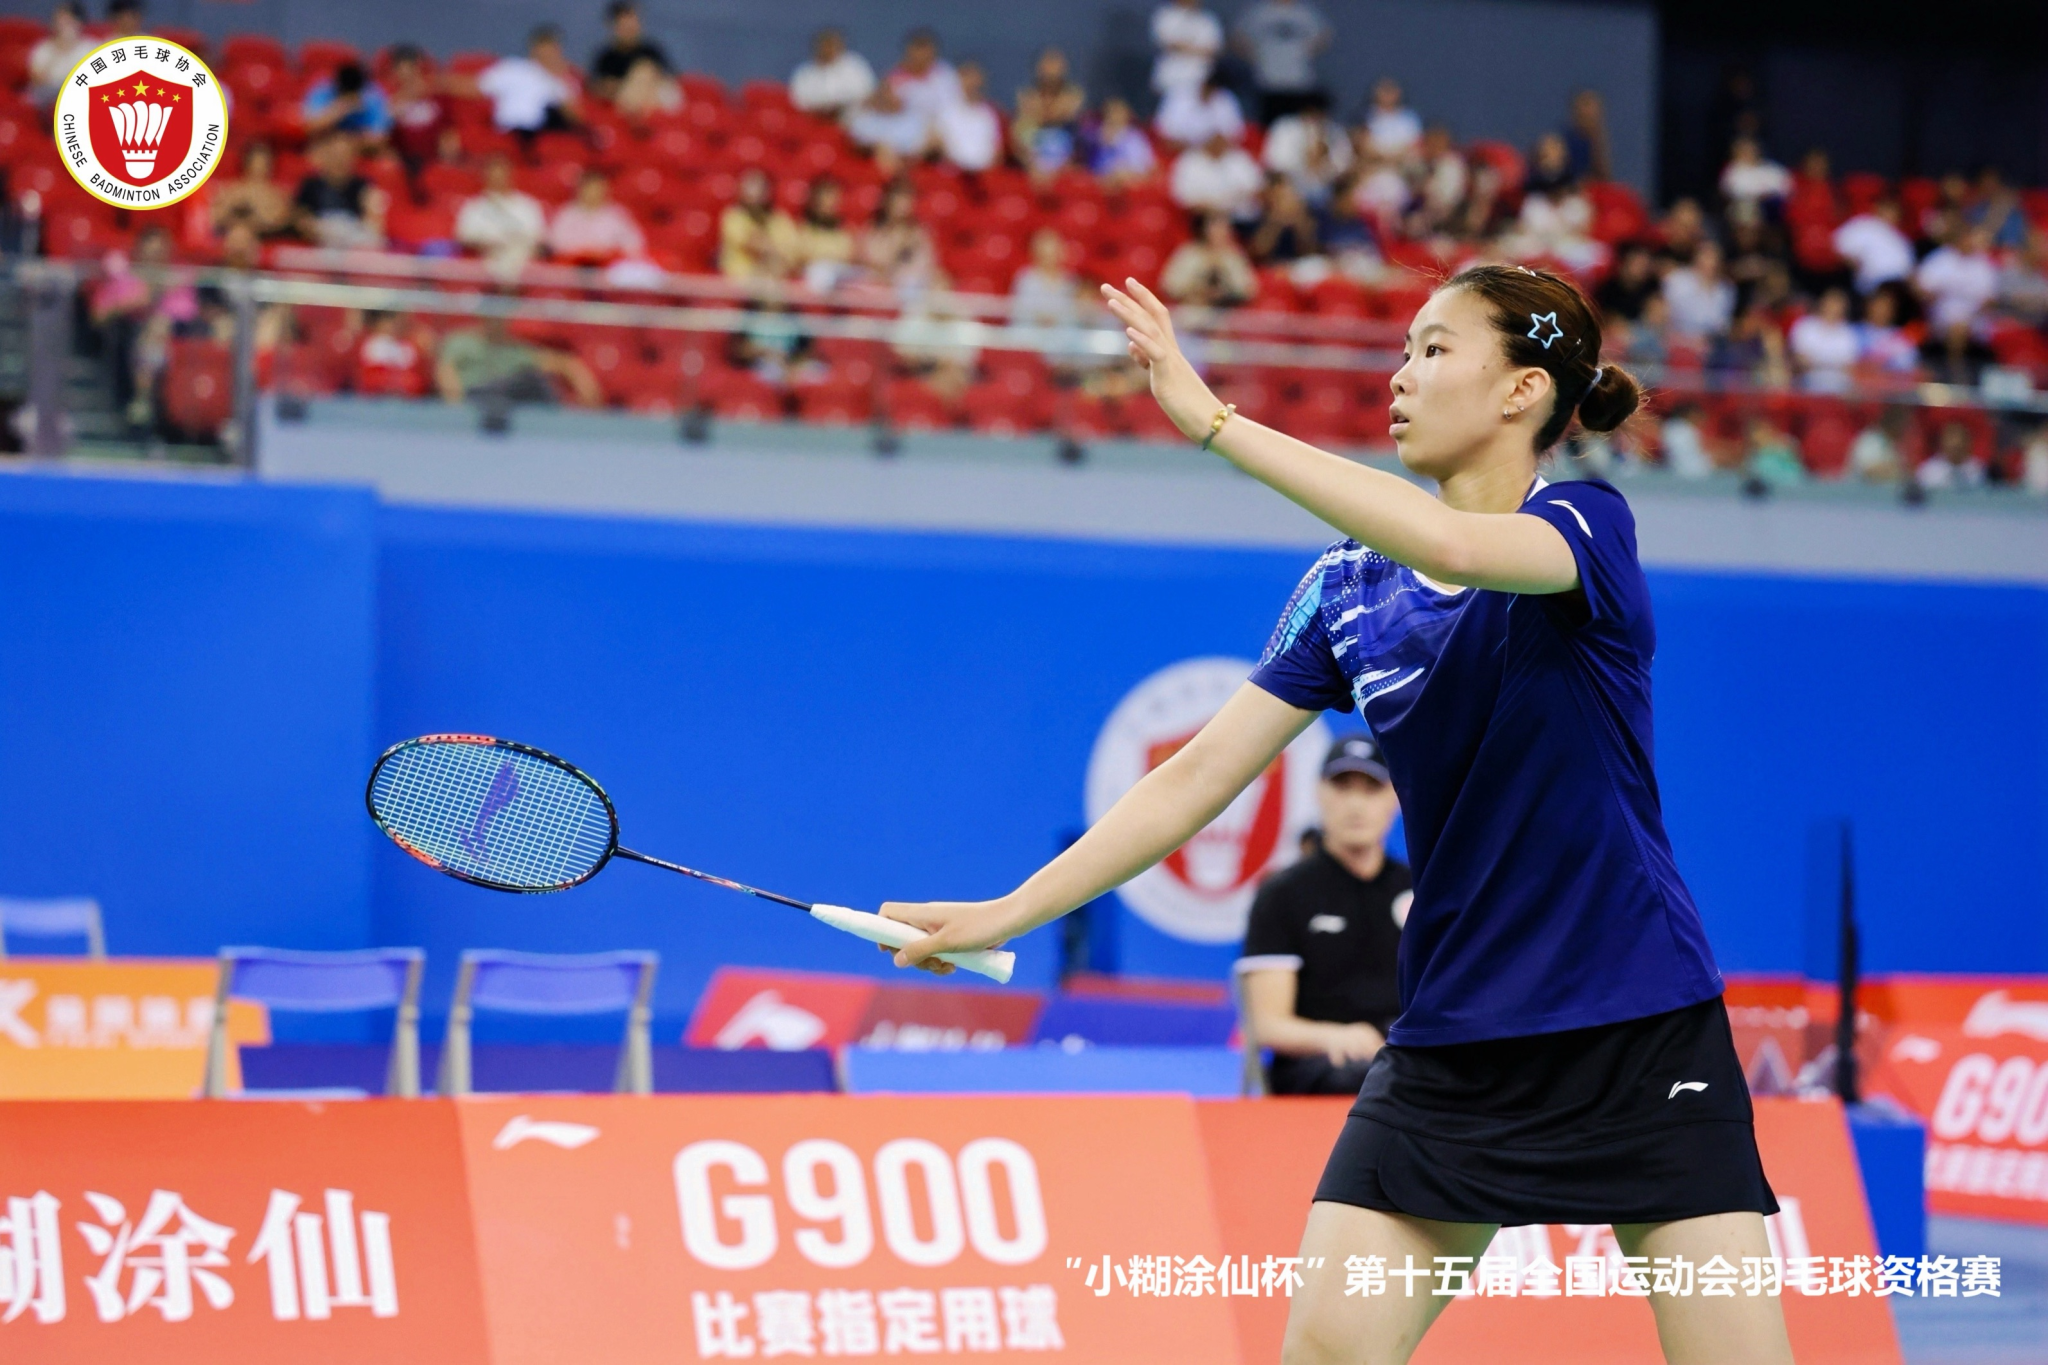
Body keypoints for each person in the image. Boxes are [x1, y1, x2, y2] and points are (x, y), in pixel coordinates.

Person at [880, 262, 1792, 1365]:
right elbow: (1194, 776)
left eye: (1435, 349)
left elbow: (1454, 548)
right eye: (1403, 349)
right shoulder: (1347, 586)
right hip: (1457, 1033)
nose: (1400, 376)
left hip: (1634, 1023)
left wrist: (1215, 423)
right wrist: (1006, 912)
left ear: (1523, 390)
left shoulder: (1584, 527)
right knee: (1326, 1348)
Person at [1238, 734, 1410, 1096]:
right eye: (1342, 787)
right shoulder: (1283, 893)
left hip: (1406, 1055)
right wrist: (1337, 1036)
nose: (1356, 805)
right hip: (1320, 1067)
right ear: (1319, 793)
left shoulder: (1419, 888)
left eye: (1371, 789)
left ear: (1394, 798)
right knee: (1373, 1079)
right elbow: (1268, 1025)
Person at [436, 314, 599, 406]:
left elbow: (566, 364)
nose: (497, 321)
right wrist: (457, 409)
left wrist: (589, 397)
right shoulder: (460, 342)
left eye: (501, 316)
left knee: (533, 381)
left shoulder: (515, 349)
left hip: (506, 400)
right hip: (475, 398)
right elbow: (445, 371)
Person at [467, 26, 583, 136]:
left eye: (551, 48)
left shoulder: (565, 81)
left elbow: (574, 117)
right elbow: (476, 87)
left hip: (541, 134)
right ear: (533, 48)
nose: (546, 53)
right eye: (543, 47)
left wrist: (558, 81)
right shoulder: (513, 68)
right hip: (507, 132)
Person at [1232, 0, 1331, 124]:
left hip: (1298, 82)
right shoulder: (1259, 12)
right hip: (1268, 82)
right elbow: (1238, 37)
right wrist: (1257, 56)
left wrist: (1305, 52)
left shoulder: (1305, 13)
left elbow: (1324, 34)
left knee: (1296, 127)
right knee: (1268, 127)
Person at [456, 153, 548, 275]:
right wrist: (493, 243)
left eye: (501, 173)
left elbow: (537, 236)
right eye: (493, 174)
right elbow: (464, 236)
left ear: (510, 174)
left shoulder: (528, 205)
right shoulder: (473, 207)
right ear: (484, 176)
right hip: (485, 258)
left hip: (522, 260)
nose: (498, 178)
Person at [291, 132, 388, 248]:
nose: (340, 160)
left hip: (354, 244)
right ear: (325, 156)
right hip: (319, 244)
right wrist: (319, 229)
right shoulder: (310, 185)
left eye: (345, 155)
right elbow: (300, 220)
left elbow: (374, 226)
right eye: (335, 155)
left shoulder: (364, 186)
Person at [1262, 92, 1352, 205]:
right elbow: (1274, 164)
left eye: (1319, 112)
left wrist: (1322, 157)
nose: (1314, 117)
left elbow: (1343, 167)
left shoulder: (1335, 131)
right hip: (1291, 189)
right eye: (1311, 111)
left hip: (1327, 193)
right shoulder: (1285, 127)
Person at [545, 170, 646, 266]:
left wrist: (605, 254)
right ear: (579, 189)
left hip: (607, 268)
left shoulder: (618, 215)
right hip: (571, 268)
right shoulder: (565, 214)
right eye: (589, 188)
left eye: (597, 188)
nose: (593, 193)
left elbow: (634, 245)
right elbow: (555, 245)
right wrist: (586, 253)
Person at [1011, 47, 1085, 176]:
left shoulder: (1074, 94)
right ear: (1039, 68)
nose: (1051, 70)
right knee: (1022, 128)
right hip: (1034, 160)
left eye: (1055, 65)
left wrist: (1040, 113)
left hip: (1064, 156)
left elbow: (1059, 114)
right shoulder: (1027, 95)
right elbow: (1020, 133)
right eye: (1047, 65)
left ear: (1063, 68)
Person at [718, 167, 798, 281]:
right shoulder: (734, 217)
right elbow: (750, 244)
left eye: (760, 188)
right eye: (750, 188)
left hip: (775, 278)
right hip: (739, 278)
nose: (755, 194)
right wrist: (771, 248)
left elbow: (792, 250)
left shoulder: (779, 219)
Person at [1161, 211, 1257, 306]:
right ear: (1204, 229)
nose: (1221, 232)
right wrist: (1195, 290)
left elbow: (1248, 289)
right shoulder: (1188, 253)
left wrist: (1225, 287)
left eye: (1224, 228)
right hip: (1191, 307)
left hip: (1227, 309)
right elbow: (1169, 285)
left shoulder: (1234, 256)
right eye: (1216, 227)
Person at [384, 46, 451, 174]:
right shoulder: (389, 101)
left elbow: (448, 132)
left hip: (433, 162)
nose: (407, 74)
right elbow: (384, 136)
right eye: (401, 69)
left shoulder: (436, 97)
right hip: (402, 164)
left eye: (411, 67)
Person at [1171, 129, 1264, 222]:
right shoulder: (1189, 162)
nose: (1218, 143)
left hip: (1243, 218)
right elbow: (1184, 200)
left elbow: (1258, 189)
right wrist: (1217, 210)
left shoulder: (1239, 158)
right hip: (1205, 219)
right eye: (1214, 140)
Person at [588, 1, 670, 104]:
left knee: (644, 70)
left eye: (632, 23)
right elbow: (595, 86)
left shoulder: (651, 52)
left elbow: (669, 80)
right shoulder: (606, 58)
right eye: (624, 24)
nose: (629, 28)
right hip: (620, 105)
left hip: (653, 103)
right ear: (614, 27)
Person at [1832, 196, 1914, 298]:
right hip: (1868, 288)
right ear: (1878, 208)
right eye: (1887, 209)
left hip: (1895, 290)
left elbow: (1908, 270)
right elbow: (1839, 245)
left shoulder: (1902, 241)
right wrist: (1853, 264)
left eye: (1894, 210)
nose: (1890, 214)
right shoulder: (1863, 225)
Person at [209, 142, 294, 239]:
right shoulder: (231, 189)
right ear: (246, 163)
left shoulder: (278, 194)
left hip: (265, 238)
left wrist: (255, 215)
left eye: (263, 163)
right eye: (255, 162)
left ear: (270, 166)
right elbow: (214, 217)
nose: (258, 167)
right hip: (231, 235)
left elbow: (279, 221)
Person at [790, 28, 875, 122]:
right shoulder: (805, 73)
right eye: (826, 46)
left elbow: (869, 94)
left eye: (833, 45)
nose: (829, 49)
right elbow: (799, 103)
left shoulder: (855, 65)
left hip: (855, 121)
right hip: (817, 122)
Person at [1787, 287, 1861, 393]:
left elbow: (1849, 367)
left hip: (1839, 387)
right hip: (1806, 383)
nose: (1833, 307)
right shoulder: (1805, 326)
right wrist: (1833, 366)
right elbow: (1800, 360)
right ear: (1822, 302)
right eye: (1831, 302)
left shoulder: (1849, 333)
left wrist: (1817, 363)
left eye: (1837, 304)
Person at [934, 61, 1002, 174]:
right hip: (953, 173)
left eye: (975, 79)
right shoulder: (945, 111)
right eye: (967, 77)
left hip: (984, 174)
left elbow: (997, 150)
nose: (971, 83)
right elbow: (937, 143)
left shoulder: (989, 114)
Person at [792, 178, 858, 291]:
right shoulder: (803, 228)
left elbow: (849, 256)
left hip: (840, 273)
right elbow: (802, 257)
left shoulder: (844, 230)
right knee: (821, 271)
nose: (829, 204)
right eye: (825, 199)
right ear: (815, 202)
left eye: (833, 199)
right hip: (814, 273)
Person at [1661, 240, 1735, 341]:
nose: (1712, 263)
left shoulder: (1726, 289)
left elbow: (1723, 325)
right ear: (1696, 258)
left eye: (1715, 258)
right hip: (1678, 340)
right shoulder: (1677, 281)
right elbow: (1664, 316)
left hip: (1711, 343)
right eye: (1707, 257)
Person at [302, 61, 392, 143]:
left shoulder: (373, 96)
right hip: (328, 138)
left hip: (359, 142)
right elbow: (309, 128)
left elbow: (381, 136)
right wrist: (338, 110)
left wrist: (352, 139)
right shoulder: (322, 91)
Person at [1153, 72, 1246, 150]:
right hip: (1181, 153)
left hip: (1215, 153)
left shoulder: (1225, 99)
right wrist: (1193, 146)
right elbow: (1164, 135)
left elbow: (1235, 136)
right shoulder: (1178, 96)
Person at [1150, 0, 1223, 99]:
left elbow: (1213, 50)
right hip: (1171, 79)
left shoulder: (1208, 20)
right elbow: (1170, 44)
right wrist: (1198, 50)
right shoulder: (1165, 15)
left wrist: (1186, 47)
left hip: (1200, 82)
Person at [27, 2, 94, 107]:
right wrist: (58, 49)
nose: (63, 25)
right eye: (60, 20)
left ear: (79, 23)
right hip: (49, 94)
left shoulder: (90, 47)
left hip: (78, 91)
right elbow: (37, 82)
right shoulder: (43, 48)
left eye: (68, 21)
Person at [1084, 99, 1157, 187]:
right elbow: (1091, 164)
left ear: (1127, 114)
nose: (1113, 116)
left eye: (1118, 112)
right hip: (1099, 178)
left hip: (1130, 179)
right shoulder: (1094, 133)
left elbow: (1148, 166)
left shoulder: (1136, 137)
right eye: (1110, 112)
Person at [1719, 136, 1790, 212]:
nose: (1749, 153)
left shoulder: (1773, 169)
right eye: (1744, 150)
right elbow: (1730, 191)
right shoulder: (1732, 172)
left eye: (1751, 150)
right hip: (1746, 206)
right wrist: (1755, 197)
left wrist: (1768, 195)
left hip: (1773, 205)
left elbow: (1786, 188)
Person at [1361, 78, 1420, 162]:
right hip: (1376, 162)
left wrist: (1397, 158)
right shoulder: (1367, 117)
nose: (1387, 95)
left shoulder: (1409, 117)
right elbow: (1364, 146)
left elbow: (1416, 145)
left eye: (1390, 91)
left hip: (1404, 161)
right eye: (1384, 91)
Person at [1561, 88, 1611, 183]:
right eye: (1586, 105)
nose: (1590, 113)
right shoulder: (1565, 144)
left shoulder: (1598, 142)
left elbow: (1604, 176)